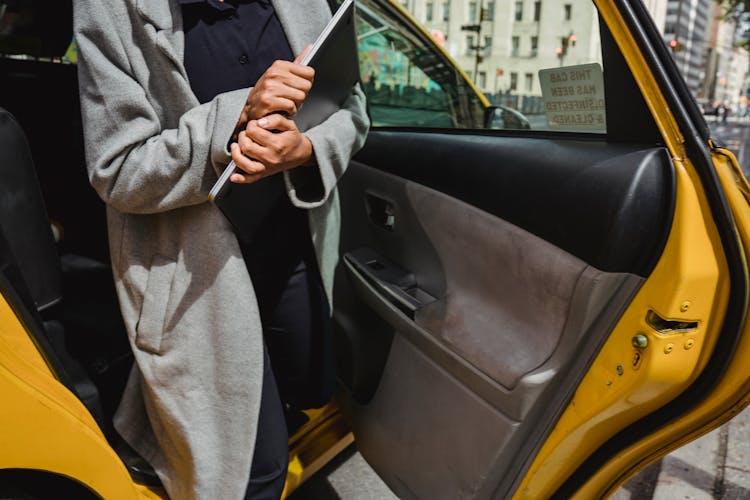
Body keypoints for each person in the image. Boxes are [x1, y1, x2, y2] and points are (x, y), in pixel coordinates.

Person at [72, 0, 369, 499]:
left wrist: (308, 150)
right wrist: (233, 117)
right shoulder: (108, 9)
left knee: (315, 388)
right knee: (250, 473)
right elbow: (117, 168)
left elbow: (353, 107)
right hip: (191, 278)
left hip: (293, 246)